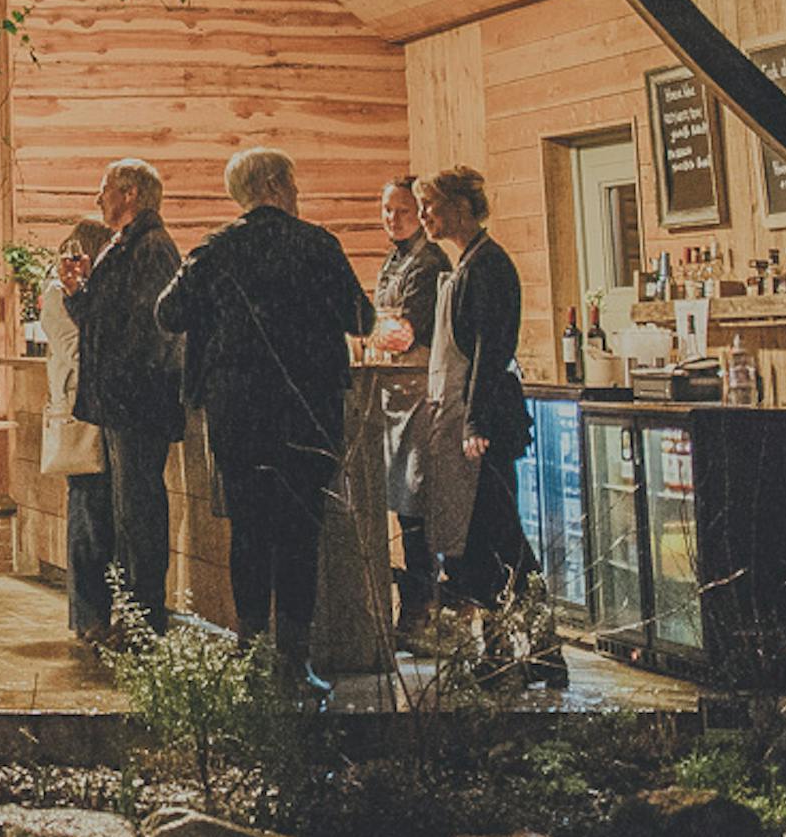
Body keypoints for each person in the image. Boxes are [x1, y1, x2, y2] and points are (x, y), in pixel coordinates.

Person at [155, 145, 372, 689]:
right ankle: (294, 663)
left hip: (238, 412)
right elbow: (361, 317)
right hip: (307, 410)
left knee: (249, 532)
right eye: (294, 183)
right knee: (301, 532)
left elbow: (168, 312)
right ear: (276, 185)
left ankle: (251, 655)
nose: (297, 194)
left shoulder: (215, 250)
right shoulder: (318, 246)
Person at [422, 164, 563, 684]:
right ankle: (511, 651)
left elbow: (490, 352)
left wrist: (474, 423)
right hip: (466, 421)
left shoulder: (489, 268)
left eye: (430, 207)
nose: (423, 217)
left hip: (486, 427)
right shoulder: (467, 265)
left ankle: (535, 652)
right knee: (484, 546)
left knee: (505, 544)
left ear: (459, 207)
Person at [56, 158, 183, 642]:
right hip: (119, 402)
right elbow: (101, 318)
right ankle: (129, 618)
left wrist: (122, 379)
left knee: (140, 515)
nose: (98, 199)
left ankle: (144, 620)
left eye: (104, 190)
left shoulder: (151, 248)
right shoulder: (123, 245)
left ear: (130, 193)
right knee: (123, 515)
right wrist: (77, 292)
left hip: (137, 404)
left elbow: (151, 329)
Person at [366, 174, 453, 645]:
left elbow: (404, 333)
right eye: (386, 210)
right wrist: (382, 326)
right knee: (402, 508)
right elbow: (382, 325)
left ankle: (426, 614)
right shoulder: (393, 262)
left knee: (419, 507)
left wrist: (378, 327)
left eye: (401, 210)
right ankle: (415, 611)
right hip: (393, 399)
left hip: (420, 398)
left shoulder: (429, 263)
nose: (392, 219)